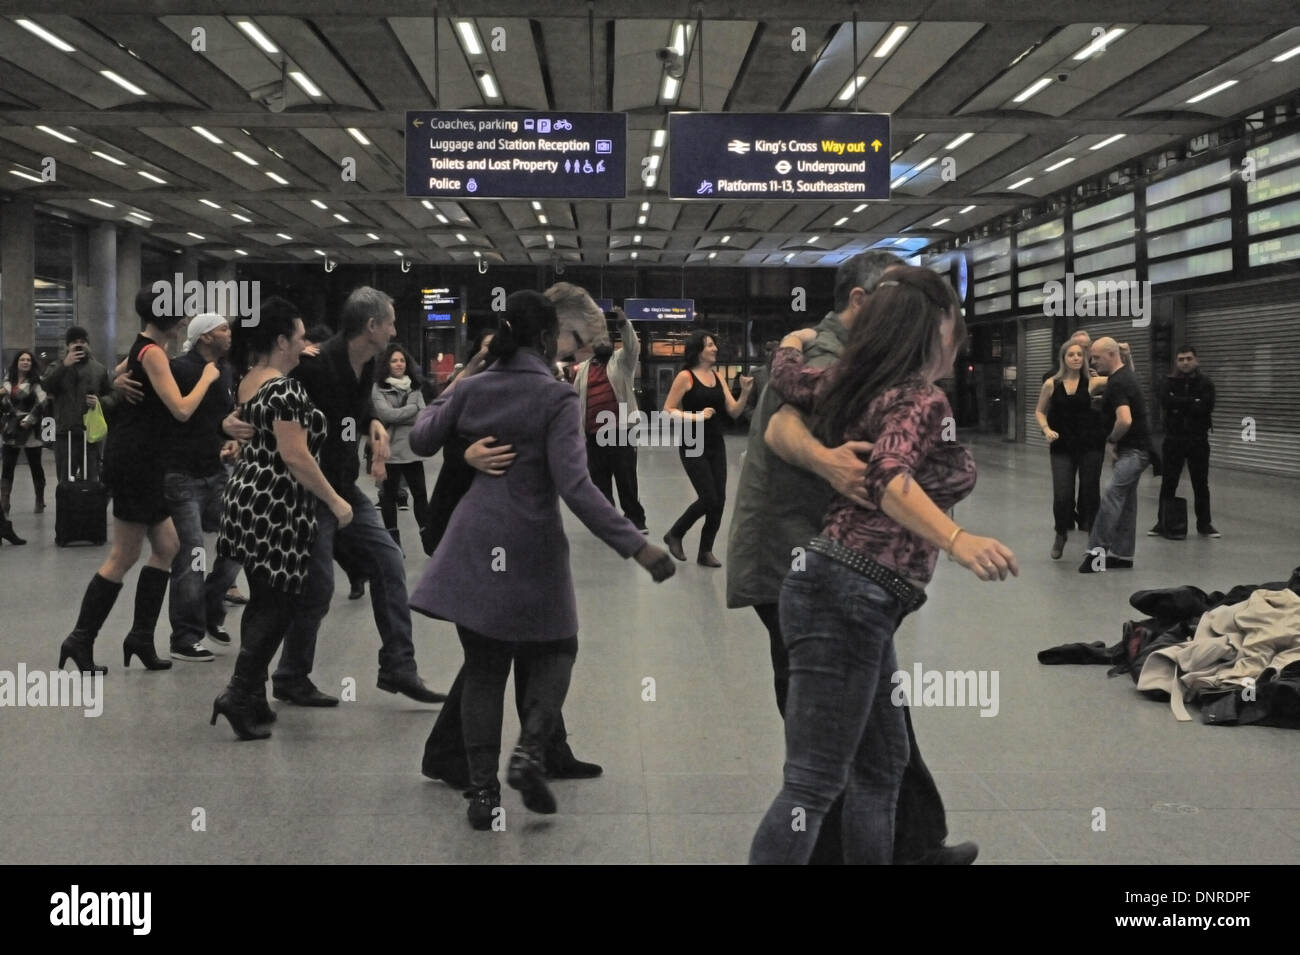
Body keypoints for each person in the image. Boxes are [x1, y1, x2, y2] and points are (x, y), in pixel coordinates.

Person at [749, 267, 1018, 865]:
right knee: (814, 782)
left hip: (849, 590)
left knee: (880, 764)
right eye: (954, 325)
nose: (959, 338)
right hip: (848, 591)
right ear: (930, 329)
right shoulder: (920, 398)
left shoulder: (860, 380)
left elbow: (793, 379)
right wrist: (958, 539)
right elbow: (890, 476)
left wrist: (789, 345)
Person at [409, 290, 675, 830]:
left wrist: (463, 377)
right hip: (532, 544)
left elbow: (420, 437)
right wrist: (638, 545)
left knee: (484, 668)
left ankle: (483, 795)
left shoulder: (475, 388)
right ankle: (531, 747)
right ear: (544, 336)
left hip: (474, 541)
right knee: (558, 648)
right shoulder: (556, 397)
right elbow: (576, 487)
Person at [273, 286, 444, 706]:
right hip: (307, 491)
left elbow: (358, 405)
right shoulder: (312, 367)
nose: (394, 329)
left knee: (388, 561)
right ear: (371, 326)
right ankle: (290, 676)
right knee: (316, 588)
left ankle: (398, 667)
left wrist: (373, 425)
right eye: (389, 321)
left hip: (344, 487)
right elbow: (274, 406)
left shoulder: (365, 364)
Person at [57, 291, 222, 674]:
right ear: (170, 318)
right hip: (136, 461)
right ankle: (80, 639)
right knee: (124, 555)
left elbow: (117, 372)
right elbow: (181, 409)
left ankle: (141, 637)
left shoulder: (145, 351)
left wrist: (118, 381)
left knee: (167, 545)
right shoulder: (152, 354)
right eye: (180, 314)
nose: (184, 320)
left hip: (146, 460)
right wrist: (208, 377)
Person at [211, 298, 353, 739]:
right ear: (280, 341)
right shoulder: (286, 390)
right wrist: (335, 500)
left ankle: (251, 693)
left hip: (246, 498)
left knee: (263, 598)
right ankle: (237, 692)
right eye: (298, 336)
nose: (304, 344)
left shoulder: (249, 381)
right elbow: (295, 455)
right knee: (281, 603)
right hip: (277, 506)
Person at [160, 314, 257, 662]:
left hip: (216, 471)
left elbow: (218, 419)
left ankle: (210, 607)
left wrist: (229, 441)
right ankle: (184, 637)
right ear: (204, 337)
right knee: (192, 554)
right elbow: (177, 416)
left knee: (241, 535)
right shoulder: (181, 369)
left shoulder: (225, 371)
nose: (229, 335)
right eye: (222, 330)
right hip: (181, 475)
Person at [554, 284, 648, 532]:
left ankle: (636, 520)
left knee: (626, 479)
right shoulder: (583, 369)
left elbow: (633, 347)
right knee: (599, 481)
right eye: (598, 340)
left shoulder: (621, 362)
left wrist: (624, 324)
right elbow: (576, 400)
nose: (602, 342)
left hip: (620, 432)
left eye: (607, 339)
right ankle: (609, 521)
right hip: (593, 435)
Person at [662, 332, 753, 567]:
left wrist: (744, 392)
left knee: (719, 500)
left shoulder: (717, 376)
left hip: (715, 441)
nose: (715, 349)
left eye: (714, 344)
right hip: (692, 441)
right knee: (708, 497)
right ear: (698, 351)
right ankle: (675, 533)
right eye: (710, 345)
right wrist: (696, 416)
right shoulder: (686, 376)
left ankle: (705, 551)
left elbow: (733, 411)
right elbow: (668, 409)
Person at [1080, 336, 1151, 573]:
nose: (1093, 362)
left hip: (1133, 450)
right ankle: (1122, 554)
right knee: (1127, 501)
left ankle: (1095, 554)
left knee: (1112, 497)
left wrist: (1111, 439)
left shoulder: (1119, 382)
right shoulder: (1123, 378)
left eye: (1097, 357)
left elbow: (1125, 420)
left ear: (1112, 355)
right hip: (1137, 449)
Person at [1034, 339, 1106, 559]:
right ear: (1063, 359)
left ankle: (1095, 540)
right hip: (1062, 445)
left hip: (1090, 445)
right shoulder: (1051, 384)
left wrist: (1127, 357)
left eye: (1079, 355)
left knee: (1090, 492)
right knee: (1063, 495)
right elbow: (1039, 411)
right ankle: (1060, 533)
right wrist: (1046, 429)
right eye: (1071, 355)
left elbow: (1124, 380)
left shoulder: (1092, 383)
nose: (1076, 358)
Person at [1153, 345, 1218, 538]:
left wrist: (1178, 403)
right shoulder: (1167, 382)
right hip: (1174, 439)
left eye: (1189, 358)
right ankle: (1162, 522)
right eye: (1181, 359)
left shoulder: (1206, 383)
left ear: (1196, 360)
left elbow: (1205, 406)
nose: (1185, 362)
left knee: (1200, 483)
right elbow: (1165, 401)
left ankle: (1204, 524)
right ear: (1176, 362)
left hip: (1198, 440)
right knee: (1168, 482)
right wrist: (1192, 402)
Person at [372, 342, 430, 551]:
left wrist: (406, 413)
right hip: (389, 451)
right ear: (387, 364)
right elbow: (384, 414)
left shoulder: (415, 386)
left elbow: (422, 415)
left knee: (421, 494)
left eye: (402, 360)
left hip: (412, 450)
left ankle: (427, 535)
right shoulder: (379, 387)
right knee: (389, 496)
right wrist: (410, 410)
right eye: (394, 360)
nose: (399, 364)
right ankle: (393, 542)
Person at [42, 326, 117, 484]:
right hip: (65, 434)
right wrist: (65, 365)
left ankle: (89, 509)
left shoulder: (99, 369)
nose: (79, 345)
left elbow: (113, 395)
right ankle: (67, 509)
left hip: (91, 435)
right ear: (67, 346)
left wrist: (100, 402)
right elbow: (47, 386)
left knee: (91, 480)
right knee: (65, 481)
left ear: (88, 345)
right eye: (75, 343)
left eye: (83, 342)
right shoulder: (56, 366)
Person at [1, 350, 47, 524]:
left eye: (28, 360)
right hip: (11, 429)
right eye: (22, 359)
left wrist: (30, 419)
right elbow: (4, 402)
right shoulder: (7, 382)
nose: (26, 362)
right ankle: (5, 503)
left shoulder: (37, 382)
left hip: (30, 429)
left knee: (36, 466)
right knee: (7, 467)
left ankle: (40, 499)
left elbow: (42, 402)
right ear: (17, 362)